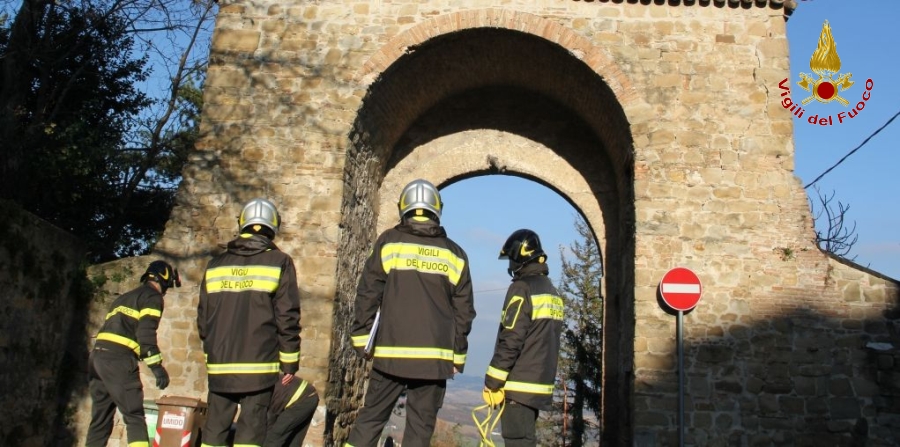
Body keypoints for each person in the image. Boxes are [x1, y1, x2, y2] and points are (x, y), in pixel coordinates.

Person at [344, 179, 476, 447]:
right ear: (437, 209)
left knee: (370, 421)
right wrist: (457, 356)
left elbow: (368, 293)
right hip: (435, 360)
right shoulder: (456, 254)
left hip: (390, 354)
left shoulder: (389, 242)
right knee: (420, 431)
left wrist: (361, 339)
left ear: (404, 207)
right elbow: (464, 313)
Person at [198, 197, 302, 447]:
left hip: (220, 366)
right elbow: (287, 315)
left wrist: (211, 353)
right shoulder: (279, 262)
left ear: (242, 225)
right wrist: (289, 363)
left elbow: (203, 318)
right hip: (259, 369)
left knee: (213, 434)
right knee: (250, 436)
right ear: (272, 228)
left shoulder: (215, 265)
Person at [483, 229, 565, 447]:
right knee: (527, 441)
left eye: (511, 259)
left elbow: (512, 338)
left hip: (518, 386)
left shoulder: (522, 288)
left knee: (517, 441)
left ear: (520, 256)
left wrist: (493, 381)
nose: (510, 266)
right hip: (539, 385)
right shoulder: (552, 291)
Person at [86, 260, 181, 447]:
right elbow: (146, 334)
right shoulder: (152, 297)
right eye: (167, 286)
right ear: (163, 280)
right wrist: (157, 367)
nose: (166, 291)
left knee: (100, 420)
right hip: (118, 360)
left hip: (97, 359)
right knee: (134, 416)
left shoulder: (124, 297)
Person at [264, 376, 319, 447]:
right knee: (293, 442)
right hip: (308, 395)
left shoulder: (259, 397)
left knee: (274, 436)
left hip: (303, 399)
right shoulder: (258, 384)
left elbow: (270, 421)